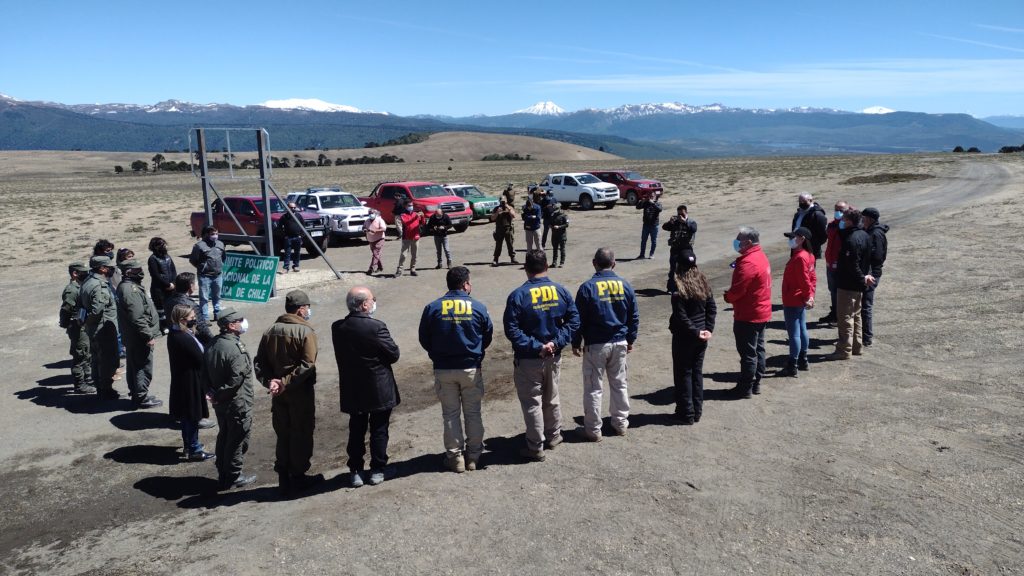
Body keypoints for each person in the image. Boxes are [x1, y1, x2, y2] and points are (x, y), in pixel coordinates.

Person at [503, 250, 580, 461]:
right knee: (552, 398)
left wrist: (538, 346)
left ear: (526, 268)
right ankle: (554, 436)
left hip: (529, 359)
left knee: (532, 403)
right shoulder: (561, 291)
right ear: (547, 266)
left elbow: (512, 330)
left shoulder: (518, 295)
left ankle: (536, 446)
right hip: (553, 357)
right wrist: (555, 343)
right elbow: (574, 321)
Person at [418, 267, 493, 472]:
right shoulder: (478, 307)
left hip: (444, 368)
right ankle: (474, 456)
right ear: (465, 284)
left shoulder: (432, 307)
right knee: (473, 413)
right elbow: (486, 336)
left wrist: (437, 353)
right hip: (470, 367)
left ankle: (455, 457)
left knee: (450, 414)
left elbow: (424, 338)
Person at [255, 290, 323, 497]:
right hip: (298, 391)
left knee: (282, 432)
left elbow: (259, 362)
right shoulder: (305, 332)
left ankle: (283, 475)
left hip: (278, 393)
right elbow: (307, 364)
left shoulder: (270, 330)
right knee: (301, 431)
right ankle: (299, 476)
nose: (308, 311)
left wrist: (271, 382)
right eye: (307, 307)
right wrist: (285, 383)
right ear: (301, 309)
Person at [332, 286, 400, 487]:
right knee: (379, 429)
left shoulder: (338, 327)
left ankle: (356, 471)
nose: (374, 302)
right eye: (372, 299)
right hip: (378, 387)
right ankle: (378, 469)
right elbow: (393, 354)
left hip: (353, 388)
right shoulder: (376, 327)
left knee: (356, 429)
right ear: (364, 305)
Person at [571, 248, 638, 441]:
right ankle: (620, 424)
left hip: (596, 344)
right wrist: (630, 339)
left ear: (594, 263)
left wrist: (576, 341)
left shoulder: (587, 287)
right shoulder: (625, 285)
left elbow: (578, 319)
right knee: (619, 384)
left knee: (593, 387)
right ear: (614, 263)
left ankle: (593, 430)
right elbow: (633, 315)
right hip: (619, 342)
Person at [202, 307, 257, 490]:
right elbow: (236, 379)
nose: (243, 323)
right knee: (238, 439)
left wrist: (212, 392)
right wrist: (219, 394)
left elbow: (204, 373)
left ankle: (223, 471)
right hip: (237, 403)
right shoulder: (235, 348)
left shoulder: (213, 343)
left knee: (224, 436)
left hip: (221, 403)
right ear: (231, 325)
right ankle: (234, 475)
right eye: (240, 320)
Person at [723, 227, 772, 398]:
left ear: (749, 242)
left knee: (748, 353)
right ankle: (756, 383)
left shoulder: (748, 262)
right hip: (761, 311)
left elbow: (737, 290)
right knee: (758, 349)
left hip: (749, 314)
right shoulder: (760, 256)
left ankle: (746, 387)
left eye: (739, 239)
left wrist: (728, 297)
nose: (736, 242)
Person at [669, 252, 716, 424]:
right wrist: (707, 329)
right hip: (700, 336)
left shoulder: (678, 286)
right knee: (696, 373)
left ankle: (686, 412)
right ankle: (697, 411)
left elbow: (681, 317)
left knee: (683, 374)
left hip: (685, 337)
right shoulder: (703, 282)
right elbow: (712, 308)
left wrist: (696, 331)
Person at [166, 304, 213, 462]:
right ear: (182, 319)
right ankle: (194, 449)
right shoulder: (182, 337)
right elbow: (200, 357)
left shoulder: (176, 333)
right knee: (192, 416)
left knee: (187, 416)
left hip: (184, 380)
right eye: (192, 318)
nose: (194, 321)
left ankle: (189, 446)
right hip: (190, 382)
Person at [116, 259, 164, 409]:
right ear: (128, 272)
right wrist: (148, 335)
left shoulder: (128, 287)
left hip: (133, 336)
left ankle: (137, 393)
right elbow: (137, 317)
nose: (141, 272)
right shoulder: (130, 290)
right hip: (139, 337)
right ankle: (141, 397)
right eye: (137, 270)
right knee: (142, 367)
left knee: (134, 365)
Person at [827, 209, 873, 360]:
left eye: (844, 219)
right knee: (856, 316)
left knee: (845, 317)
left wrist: (861, 278)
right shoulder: (864, 235)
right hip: (858, 284)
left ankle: (844, 349)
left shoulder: (851, 239)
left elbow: (852, 264)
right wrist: (865, 277)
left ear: (848, 221)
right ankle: (856, 346)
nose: (841, 221)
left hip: (848, 284)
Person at [78, 255, 121, 400]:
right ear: (102, 268)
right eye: (109, 267)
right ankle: (105, 389)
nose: (111, 270)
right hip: (103, 329)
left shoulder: (87, 281)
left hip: (93, 328)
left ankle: (100, 387)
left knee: (97, 359)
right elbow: (97, 310)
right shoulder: (99, 285)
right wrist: (92, 322)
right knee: (108, 360)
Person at [778, 227, 817, 377]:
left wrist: (809, 296)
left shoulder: (800, 257)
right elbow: (812, 279)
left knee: (794, 333)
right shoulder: (809, 255)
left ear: (802, 239)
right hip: (799, 298)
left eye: (793, 237)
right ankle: (803, 360)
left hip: (793, 298)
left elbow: (805, 280)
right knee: (802, 329)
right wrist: (810, 296)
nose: (790, 240)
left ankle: (792, 364)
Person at [60, 262, 95, 394]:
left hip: (84, 325)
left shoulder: (81, 287)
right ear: (75, 274)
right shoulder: (72, 290)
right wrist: (66, 323)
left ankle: (88, 378)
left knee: (87, 353)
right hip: (77, 326)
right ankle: (80, 384)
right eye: (84, 273)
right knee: (80, 355)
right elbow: (66, 309)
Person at [861, 207, 888, 346]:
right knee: (864, 305)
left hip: (871, 275)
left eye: (863, 218)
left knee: (866, 306)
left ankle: (866, 337)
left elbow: (877, 257)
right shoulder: (871, 231)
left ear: (870, 219)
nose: (861, 220)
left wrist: (869, 274)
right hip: (870, 273)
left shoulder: (875, 234)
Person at [819, 200, 849, 325]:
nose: (838, 212)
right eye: (836, 209)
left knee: (841, 291)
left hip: (841, 265)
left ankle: (841, 317)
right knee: (832, 290)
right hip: (830, 263)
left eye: (841, 210)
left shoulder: (849, 225)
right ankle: (835, 314)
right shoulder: (831, 225)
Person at [189, 226, 226, 321]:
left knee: (217, 296)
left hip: (218, 275)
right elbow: (193, 260)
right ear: (206, 234)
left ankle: (217, 314)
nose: (215, 236)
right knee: (204, 298)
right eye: (212, 234)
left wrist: (219, 266)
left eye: (216, 233)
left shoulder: (220, 244)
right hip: (205, 276)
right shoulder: (199, 246)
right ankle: (205, 317)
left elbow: (223, 257)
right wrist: (202, 268)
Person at [663, 205, 698, 292]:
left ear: (686, 213)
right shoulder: (675, 222)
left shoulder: (691, 222)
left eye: (682, 214)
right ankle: (672, 287)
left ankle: (689, 286)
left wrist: (685, 221)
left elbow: (693, 229)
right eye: (678, 214)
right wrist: (670, 222)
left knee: (688, 267)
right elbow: (665, 227)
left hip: (687, 249)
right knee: (673, 268)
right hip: (675, 248)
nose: (680, 216)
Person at [147, 237, 177, 333]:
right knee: (161, 310)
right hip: (159, 289)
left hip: (171, 287)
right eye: (162, 244)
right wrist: (167, 284)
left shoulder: (168, 257)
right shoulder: (152, 259)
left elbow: (173, 270)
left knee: (171, 307)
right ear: (156, 247)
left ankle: (172, 324)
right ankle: (163, 326)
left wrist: (173, 283)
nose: (165, 246)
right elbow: (155, 275)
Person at [791, 193, 828, 260]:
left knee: (808, 268)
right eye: (800, 202)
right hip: (796, 246)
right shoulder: (798, 214)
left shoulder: (817, 214)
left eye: (804, 201)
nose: (802, 203)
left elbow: (823, 235)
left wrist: (814, 244)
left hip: (810, 249)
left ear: (811, 200)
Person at [396, 205, 425, 277]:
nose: (411, 207)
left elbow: (422, 223)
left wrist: (423, 216)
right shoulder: (403, 215)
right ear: (406, 207)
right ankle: (399, 270)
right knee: (403, 255)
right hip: (406, 238)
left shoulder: (416, 214)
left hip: (415, 237)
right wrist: (415, 217)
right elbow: (407, 222)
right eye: (409, 205)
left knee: (415, 255)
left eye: (411, 205)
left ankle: (413, 269)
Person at [278, 203, 305, 273]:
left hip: (297, 237)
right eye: (291, 207)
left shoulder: (299, 216)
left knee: (297, 253)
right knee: (287, 253)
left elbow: (303, 226)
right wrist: (284, 236)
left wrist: (301, 236)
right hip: (288, 238)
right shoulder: (284, 217)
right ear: (287, 208)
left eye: (294, 207)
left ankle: (296, 266)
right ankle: (286, 268)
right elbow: (279, 228)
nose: (293, 209)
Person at [635, 192, 663, 259]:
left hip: (654, 225)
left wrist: (653, 203)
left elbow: (659, 209)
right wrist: (642, 201)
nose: (651, 197)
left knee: (653, 241)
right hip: (646, 225)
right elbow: (637, 207)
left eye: (652, 196)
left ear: (655, 197)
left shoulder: (658, 203)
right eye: (650, 196)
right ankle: (642, 254)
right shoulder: (646, 203)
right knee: (643, 240)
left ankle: (651, 254)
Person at [491, 199, 518, 266]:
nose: (503, 203)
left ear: (506, 201)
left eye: (504, 201)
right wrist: (497, 212)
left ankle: (513, 258)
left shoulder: (510, 207)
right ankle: (495, 259)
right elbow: (492, 218)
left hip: (508, 228)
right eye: (501, 202)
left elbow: (514, 216)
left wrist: (508, 209)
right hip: (499, 229)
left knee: (510, 244)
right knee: (498, 245)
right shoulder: (497, 208)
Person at [364, 209, 387, 276]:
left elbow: (384, 228)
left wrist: (375, 230)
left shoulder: (380, 220)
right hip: (371, 240)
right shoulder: (367, 220)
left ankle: (371, 268)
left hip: (379, 239)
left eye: (372, 213)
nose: (371, 214)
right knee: (376, 254)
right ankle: (380, 267)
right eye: (370, 213)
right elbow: (364, 227)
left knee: (375, 253)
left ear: (375, 214)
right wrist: (364, 229)